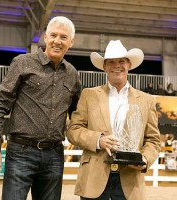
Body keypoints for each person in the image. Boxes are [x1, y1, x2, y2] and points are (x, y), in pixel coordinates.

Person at [0, 16, 81, 200]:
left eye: (63, 37)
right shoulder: (22, 63)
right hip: (20, 152)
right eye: (53, 35)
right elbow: (0, 105)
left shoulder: (72, 74)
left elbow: (78, 115)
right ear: (45, 37)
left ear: (71, 42)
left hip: (54, 155)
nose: (57, 41)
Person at [67, 40, 161, 200]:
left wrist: (144, 159)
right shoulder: (89, 95)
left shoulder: (146, 100)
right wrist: (98, 140)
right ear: (104, 67)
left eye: (121, 61)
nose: (116, 65)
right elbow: (73, 130)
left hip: (130, 182)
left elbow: (153, 140)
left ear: (129, 64)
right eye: (111, 62)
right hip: (93, 180)